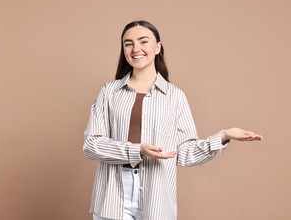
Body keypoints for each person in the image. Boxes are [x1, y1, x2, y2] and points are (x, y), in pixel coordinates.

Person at [83, 20, 263, 220]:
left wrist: (223, 136)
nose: (136, 49)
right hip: (112, 197)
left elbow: (184, 153)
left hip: (157, 198)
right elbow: (91, 145)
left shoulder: (175, 96)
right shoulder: (109, 92)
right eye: (128, 43)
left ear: (158, 47)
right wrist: (138, 150)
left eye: (144, 41)